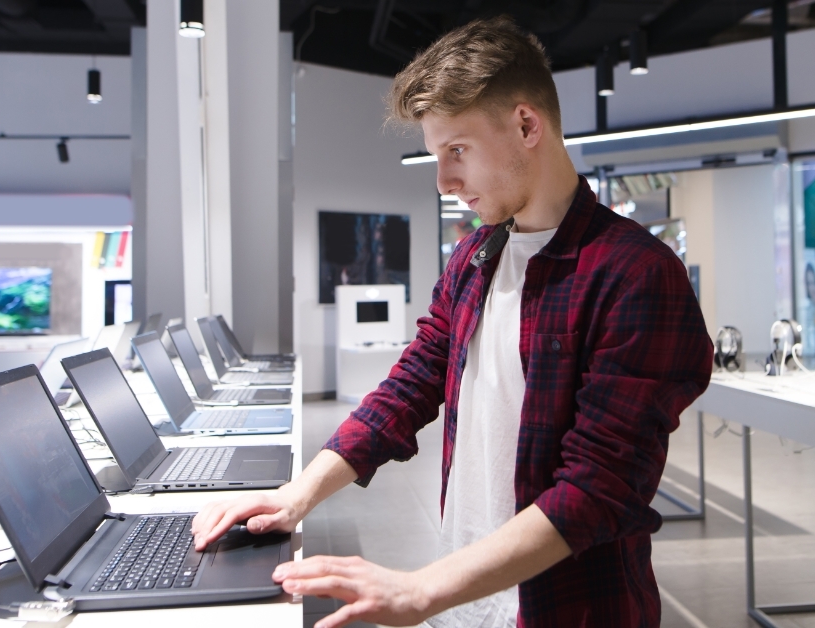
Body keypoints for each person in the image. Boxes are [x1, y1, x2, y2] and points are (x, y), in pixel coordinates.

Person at [191, 16, 713, 628]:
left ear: (526, 125)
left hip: (567, 610)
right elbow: (413, 383)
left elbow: (598, 490)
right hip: (469, 604)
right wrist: (296, 494)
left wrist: (424, 589)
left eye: (457, 151)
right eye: (436, 155)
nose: (443, 182)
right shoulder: (474, 258)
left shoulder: (635, 274)